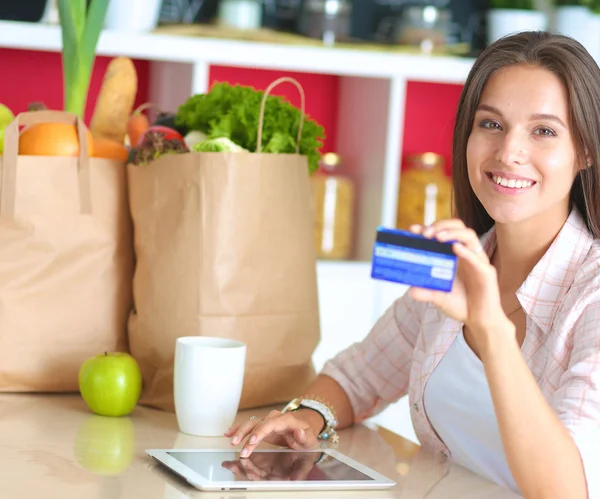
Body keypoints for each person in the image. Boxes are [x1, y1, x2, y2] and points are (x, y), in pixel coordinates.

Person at [225, 30, 600, 498]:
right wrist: (308, 416)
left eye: (543, 130)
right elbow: (358, 375)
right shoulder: (455, 259)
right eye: (491, 124)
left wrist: (489, 327)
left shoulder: (592, 297)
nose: (509, 152)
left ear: (585, 150)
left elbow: (569, 491)